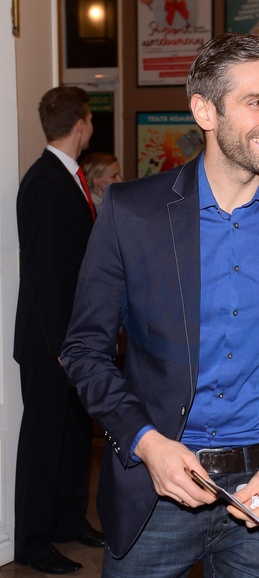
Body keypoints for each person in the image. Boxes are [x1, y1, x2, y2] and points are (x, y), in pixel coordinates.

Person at [61, 33, 259, 577]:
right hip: (155, 493)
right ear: (204, 111)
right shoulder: (132, 212)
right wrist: (146, 443)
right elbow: (83, 350)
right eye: (257, 102)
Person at [13, 86, 105, 575]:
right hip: (51, 343)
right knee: (44, 444)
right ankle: (31, 542)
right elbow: (43, 272)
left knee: (73, 437)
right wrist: (60, 346)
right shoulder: (45, 182)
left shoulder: (66, 176)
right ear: (81, 123)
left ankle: (69, 521)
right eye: (90, 119)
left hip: (73, 339)